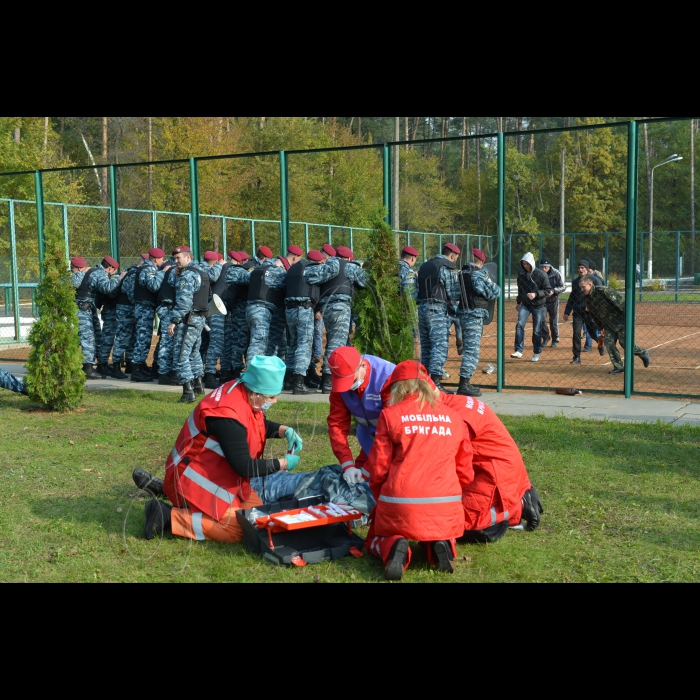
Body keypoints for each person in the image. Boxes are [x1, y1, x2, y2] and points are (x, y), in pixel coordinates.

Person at [141, 356, 305, 544]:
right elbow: (244, 466)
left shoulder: (241, 392)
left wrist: (284, 430)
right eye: (271, 396)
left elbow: (254, 425)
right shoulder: (227, 415)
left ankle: (174, 499)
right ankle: (168, 515)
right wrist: (283, 463)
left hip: (217, 476)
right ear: (256, 392)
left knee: (257, 518)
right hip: (193, 479)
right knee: (237, 529)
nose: (274, 401)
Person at [364, 361, 474, 581]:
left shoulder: (390, 416)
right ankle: (442, 545)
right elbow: (465, 471)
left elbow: (378, 468)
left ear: (396, 388)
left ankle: (393, 546)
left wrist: (382, 500)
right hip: (446, 503)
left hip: (400, 502)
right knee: (439, 529)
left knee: (374, 539)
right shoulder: (454, 417)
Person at [441, 393, 543, 543]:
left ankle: (517, 505)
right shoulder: (453, 401)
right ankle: (518, 494)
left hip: (493, 474)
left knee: (455, 523)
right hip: (496, 468)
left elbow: (451, 463)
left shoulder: (456, 419)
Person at [326, 346, 396, 486]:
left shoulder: (388, 379)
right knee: (359, 480)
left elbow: (390, 432)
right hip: (369, 437)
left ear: (363, 365)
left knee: (387, 481)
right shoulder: (340, 386)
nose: (347, 388)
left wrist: (367, 470)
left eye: (351, 381)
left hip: (396, 441)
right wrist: (347, 464)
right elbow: (337, 425)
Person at [304, 245, 369, 394]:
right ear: (347, 258)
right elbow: (365, 282)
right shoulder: (348, 267)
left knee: (332, 340)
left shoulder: (327, 267)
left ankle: (326, 379)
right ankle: (327, 380)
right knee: (336, 344)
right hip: (341, 307)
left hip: (326, 308)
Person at [579, 275, 651, 375]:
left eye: (583, 287)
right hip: (608, 325)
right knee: (609, 343)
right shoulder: (588, 299)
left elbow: (620, 302)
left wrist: (629, 317)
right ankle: (618, 366)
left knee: (624, 343)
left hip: (622, 321)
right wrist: (600, 328)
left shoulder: (603, 291)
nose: (582, 290)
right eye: (581, 288)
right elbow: (594, 314)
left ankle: (643, 353)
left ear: (590, 285)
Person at [70, 256, 125, 380]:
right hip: (83, 310)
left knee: (96, 337)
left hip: (87, 309)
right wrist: (118, 278)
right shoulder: (98, 273)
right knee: (88, 338)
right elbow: (107, 288)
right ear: (110, 268)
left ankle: (96, 365)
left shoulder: (90, 272)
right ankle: (88, 369)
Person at [416, 243, 461, 392]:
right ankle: (435, 382)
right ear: (453, 255)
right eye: (456, 258)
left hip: (421, 308)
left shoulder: (425, 266)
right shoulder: (445, 267)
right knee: (439, 345)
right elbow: (453, 293)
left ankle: (424, 381)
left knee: (426, 346)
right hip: (436, 309)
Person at [167, 246, 210, 403]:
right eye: (175, 258)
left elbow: (184, 303)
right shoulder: (203, 274)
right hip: (199, 319)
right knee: (194, 353)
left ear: (189, 258)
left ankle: (188, 392)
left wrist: (173, 321)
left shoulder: (187, 276)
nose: (176, 261)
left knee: (181, 355)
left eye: (179, 258)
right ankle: (198, 386)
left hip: (188, 320)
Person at [456, 249, 501, 398]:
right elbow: (491, 292)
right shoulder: (479, 273)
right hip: (474, 315)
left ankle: (465, 383)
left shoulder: (461, 273)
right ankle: (464, 384)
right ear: (481, 262)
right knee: (472, 351)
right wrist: (495, 288)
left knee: (469, 349)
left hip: (462, 313)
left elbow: (456, 293)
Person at [285, 250, 323, 395]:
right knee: (304, 345)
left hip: (290, 310)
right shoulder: (311, 269)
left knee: (293, 344)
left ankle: (288, 380)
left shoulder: (293, 268)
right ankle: (299, 382)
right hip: (304, 309)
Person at [132, 248, 171, 382]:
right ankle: (137, 370)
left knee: (145, 339)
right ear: (156, 259)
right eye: (161, 259)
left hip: (145, 308)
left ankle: (141, 366)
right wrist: (162, 273)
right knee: (142, 339)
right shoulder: (148, 269)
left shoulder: (146, 267)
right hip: (144, 308)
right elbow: (153, 286)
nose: (162, 261)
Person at [246, 255, 288, 362]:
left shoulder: (256, 270)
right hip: (262, 310)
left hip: (250, 308)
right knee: (259, 342)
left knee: (257, 340)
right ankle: (252, 374)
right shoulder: (277, 272)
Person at [511, 252, 551, 363]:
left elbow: (547, 290)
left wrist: (536, 294)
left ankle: (537, 352)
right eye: (523, 264)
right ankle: (518, 350)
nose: (526, 266)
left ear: (532, 263)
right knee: (519, 325)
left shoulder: (541, 274)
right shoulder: (521, 274)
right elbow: (520, 290)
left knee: (537, 330)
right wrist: (519, 302)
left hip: (538, 305)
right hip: (525, 304)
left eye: (527, 264)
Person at [225, 252, 259, 382]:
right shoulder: (235, 271)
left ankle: (237, 369)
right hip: (240, 309)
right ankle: (236, 370)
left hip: (243, 308)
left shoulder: (240, 270)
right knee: (239, 340)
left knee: (243, 340)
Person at [111, 257, 145, 379]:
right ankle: (116, 365)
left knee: (132, 337)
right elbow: (131, 293)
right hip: (126, 308)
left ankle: (129, 364)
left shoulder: (130, 272)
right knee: (123, 336)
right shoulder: (133, 274)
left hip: (128, 307)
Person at [564, 260, 602, 366]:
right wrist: (567, 311)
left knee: (593, 332)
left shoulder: (595, 280)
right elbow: (572, 297)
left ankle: (600, 342)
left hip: (591, 313)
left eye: (582, 268)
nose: (580, 270)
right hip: (578, 312)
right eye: (579, 268)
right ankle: (576, 357)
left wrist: (593, 306)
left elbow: (600, 295)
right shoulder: (575, 282)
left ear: (586, 268)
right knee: (576, 333)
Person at [539, 259, 566, 350]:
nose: (544, 269)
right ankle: (546, 337)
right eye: (542, 267)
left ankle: (555, 339)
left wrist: (554, 291)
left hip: (553, 300)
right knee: (541, 319)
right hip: (542, 300)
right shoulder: (538, 274)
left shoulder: (556, 273)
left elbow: (563, 287)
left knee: (553, 321)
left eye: (545, 267)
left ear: (549, 266)